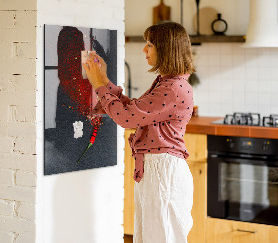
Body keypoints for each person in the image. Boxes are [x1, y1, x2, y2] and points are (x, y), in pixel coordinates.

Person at [83, 21, 195, 243]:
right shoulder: (167, 83)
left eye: (150, 44)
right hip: (157, 170)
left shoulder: (172, 88)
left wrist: (98, 85)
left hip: (163, 172)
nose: (144, 49)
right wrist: (104, 81)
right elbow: (133, 110)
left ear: (166, 49)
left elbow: (126, 118)